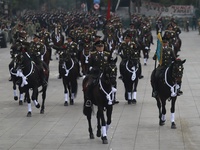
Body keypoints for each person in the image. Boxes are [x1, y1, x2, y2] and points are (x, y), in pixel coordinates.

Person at [85, 40, 119, 105]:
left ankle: (113, 98)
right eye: (99, 47)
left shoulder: (107, 54)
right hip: (96, 74)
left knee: (113, 82)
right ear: (96, 47)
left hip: (105, 73)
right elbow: (89, 66)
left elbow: (110, 63)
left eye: (102, 46)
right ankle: (88, 99)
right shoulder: (93, 55)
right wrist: (93, 69)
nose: (100, 48)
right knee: (90, 84)